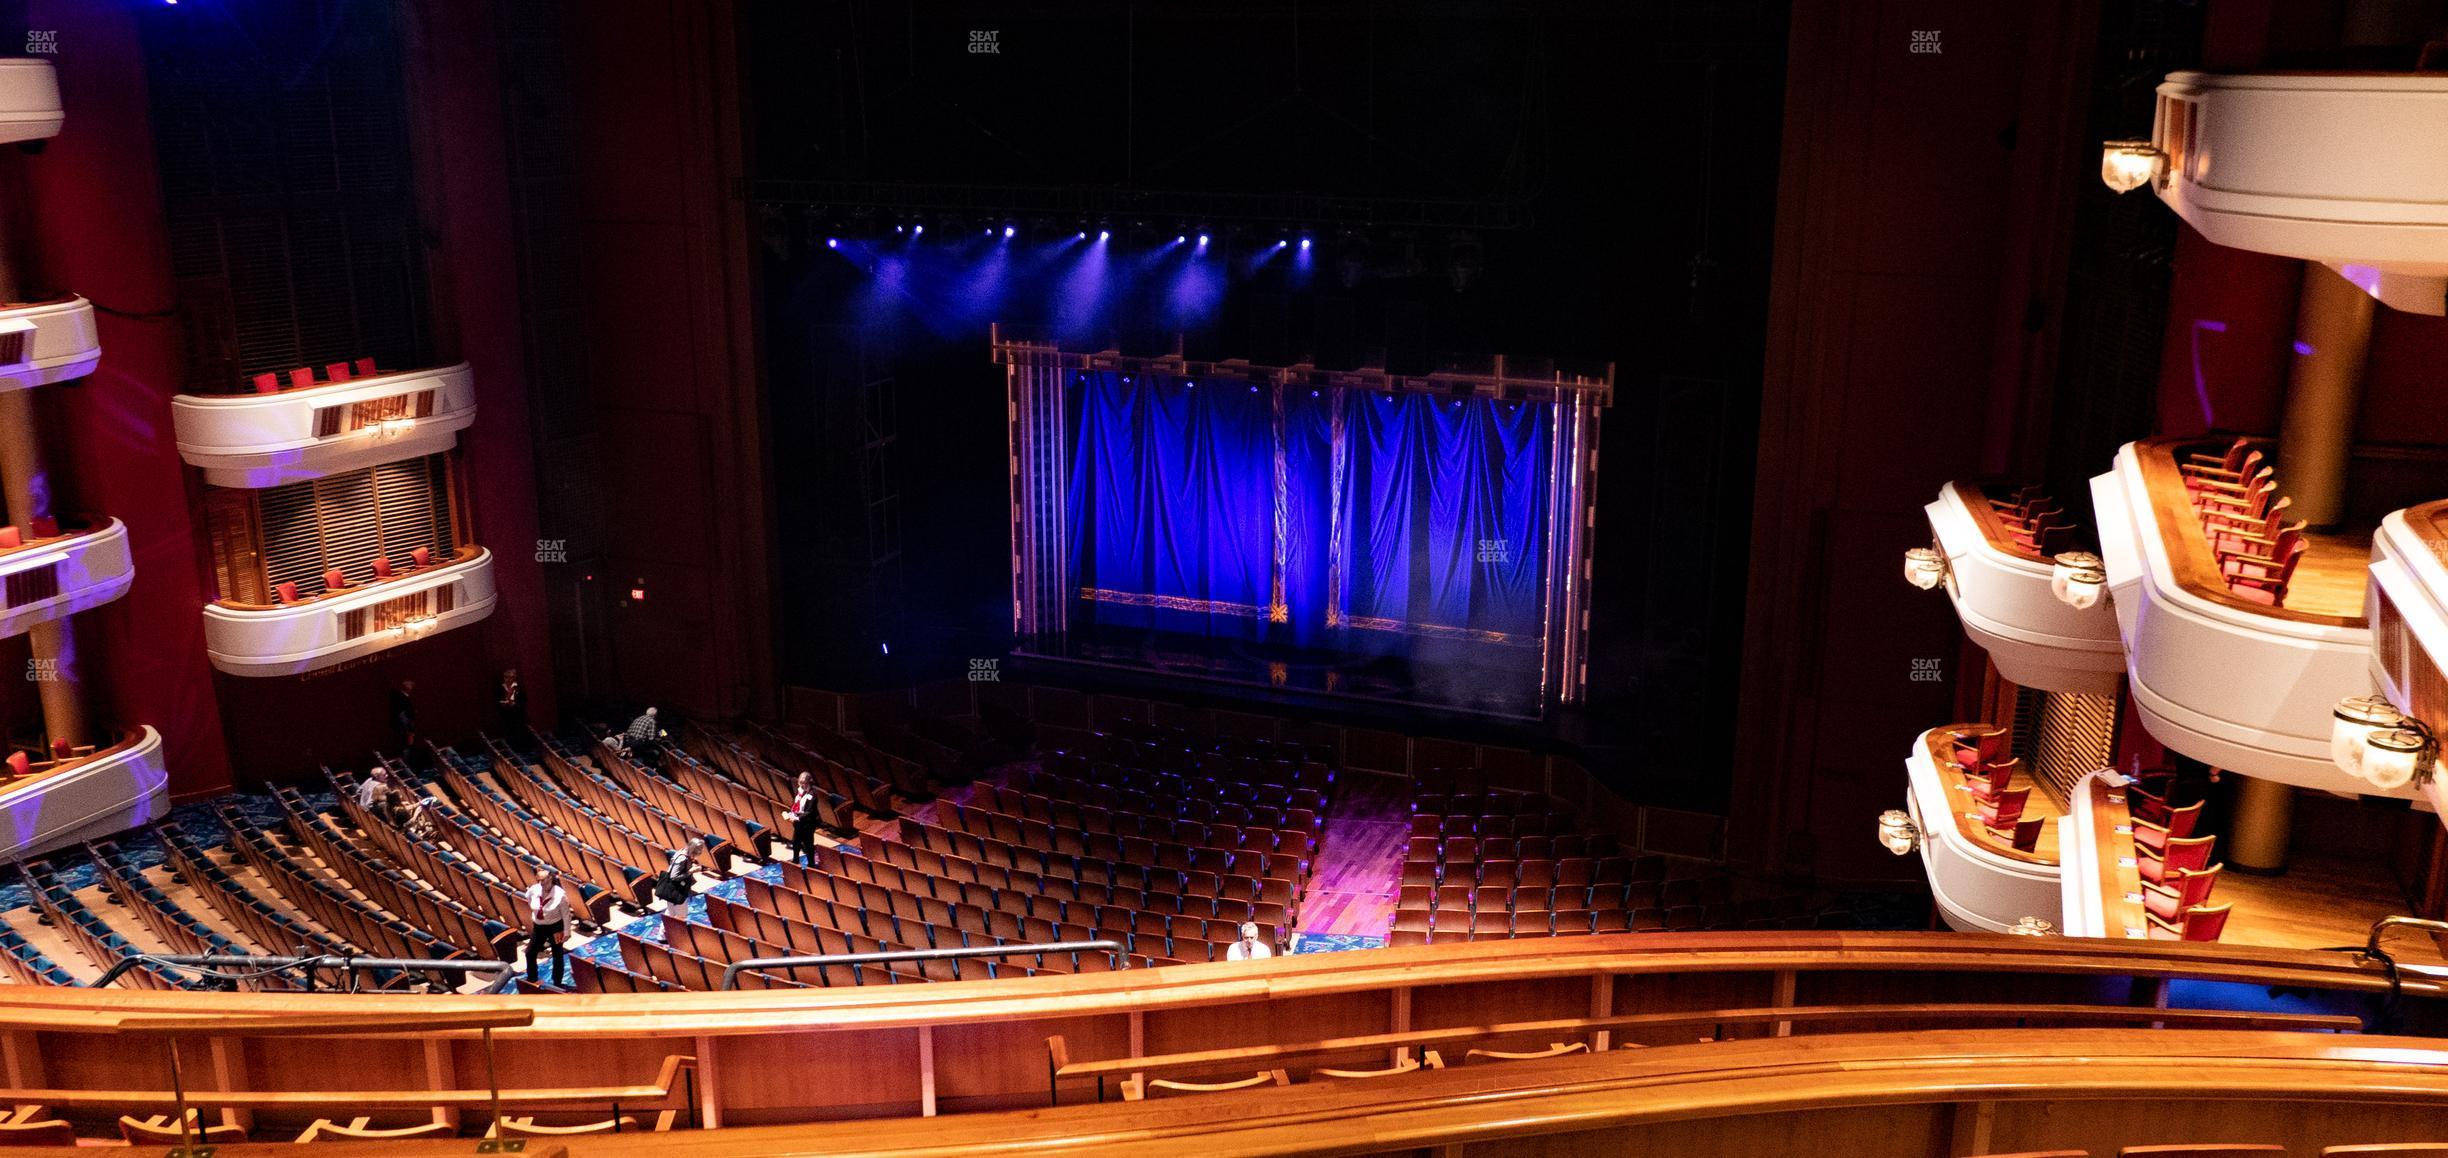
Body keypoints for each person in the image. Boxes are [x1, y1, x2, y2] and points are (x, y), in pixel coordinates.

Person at [523, 867, 570, 987]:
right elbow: (528, 899)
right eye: (538, 880)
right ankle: (532, 978)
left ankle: (557, 982)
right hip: (539, 927)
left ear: (550, 878)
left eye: (543, 880)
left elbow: (566, 914)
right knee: (530, 953)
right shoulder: (534, 890)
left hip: (555, 927)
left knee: (557, 954)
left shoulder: (560, 894)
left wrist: (567, 931)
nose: (540, 883)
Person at [654, 838, 704, 907]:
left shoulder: (683, 852)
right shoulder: (682, 858)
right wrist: (691, 871)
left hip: (679, 887)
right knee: (680, 913)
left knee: (672, 909)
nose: (700, 851)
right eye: (699, 850)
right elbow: (673, 877)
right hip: (676, 889)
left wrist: (690, 866)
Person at [786, 771, 821, 867]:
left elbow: (809, 811)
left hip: (808, 823)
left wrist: (798, 817)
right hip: (799, 822)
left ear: (809, 782)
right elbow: (796, 804)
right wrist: (791, 813)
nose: (801, 785)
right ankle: (795, 860)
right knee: (795, 842)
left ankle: (811, 864)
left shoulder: (812, 794)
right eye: (800, 783)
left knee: (808, 844)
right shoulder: (799, 791)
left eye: (803, 783)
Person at [390, 680, 423, 769]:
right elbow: (403, 717)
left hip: (405, 729)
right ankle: (408, 768)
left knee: (407, 749)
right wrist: (409, 731)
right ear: (408, 688)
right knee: (407, 749)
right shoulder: (403, 699)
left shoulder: (401, 698)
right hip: (405, 730)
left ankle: (409, 766)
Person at [495, 669, 526, 738]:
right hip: (505, 717)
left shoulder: (519, 688)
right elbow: (497, 700)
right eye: (506, 677)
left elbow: (524, 700)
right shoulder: (500, 688)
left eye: (510, 677)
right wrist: (504, 703)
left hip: (518, 716)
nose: (508, 679)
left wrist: (515, 704)